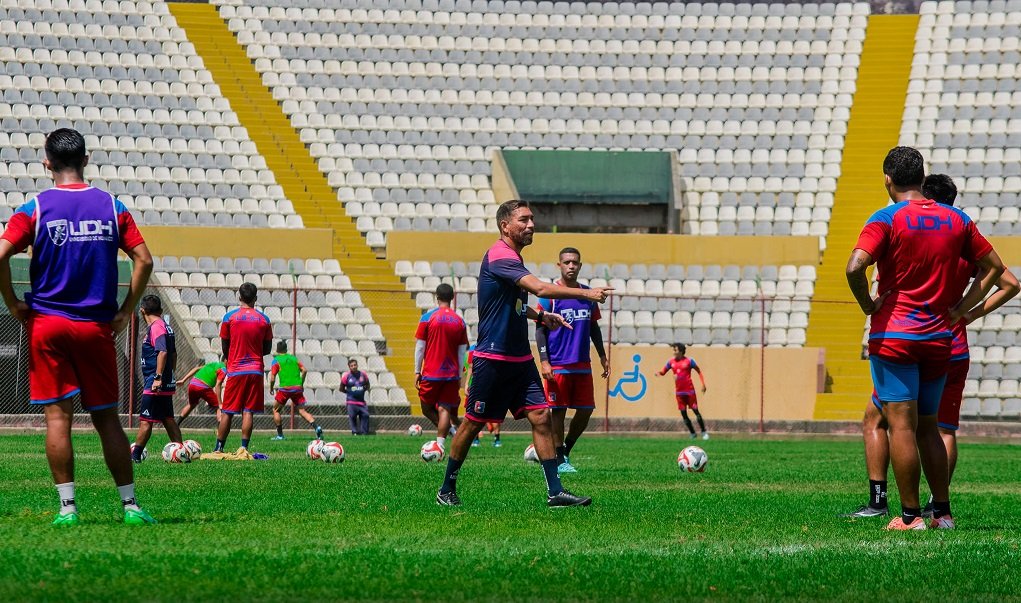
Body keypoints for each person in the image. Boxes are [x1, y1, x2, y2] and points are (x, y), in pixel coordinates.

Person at [0, 128, 156, 525]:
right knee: (107, 418)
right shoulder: (111, 205)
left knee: (57, 418)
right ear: (86, 160)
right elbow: (145, 260)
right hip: (95, 327)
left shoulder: (34, 207)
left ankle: (68, 509)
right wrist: (126, 310)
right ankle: (130, 506)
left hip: (47, 325)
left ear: (47, 163)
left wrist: (13, 302)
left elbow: (0, 254)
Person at [843, 174, 1019, 519]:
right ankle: (941, 511)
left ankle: (904, 514)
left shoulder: (892, 219)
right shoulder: (959, 227)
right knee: (938, 428)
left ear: (888, 179)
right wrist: (963, 314)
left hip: (899, 335)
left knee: (897, 426)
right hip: (946, 339)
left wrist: (868, 304)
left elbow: (855, 266)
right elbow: (1005, 278)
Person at [436, 199, 611, 508]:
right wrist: (586, 293)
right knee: (473, 423)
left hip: (519, 358)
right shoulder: (500, 255)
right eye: (525, 220)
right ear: (506, 226)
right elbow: (541, 289)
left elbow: (514, 304)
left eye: (532, 220)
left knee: (541, 416)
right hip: (493, 357)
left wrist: (538, 317)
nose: (532, 225)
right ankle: (446, 487)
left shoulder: (513, 259)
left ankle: (555, 491)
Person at [536, 247, 609, 473]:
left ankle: (565, 450)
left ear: (580, 265)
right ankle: (558, 460)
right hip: (558, 363)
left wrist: (602, 355)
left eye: (575, 262)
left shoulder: (588, 295)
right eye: (567, 262)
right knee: (558, 410)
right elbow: (540, 329)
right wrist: (544, 360)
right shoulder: (550, 295)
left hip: (582, 364)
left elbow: (593, 327)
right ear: (559, 265)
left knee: (586, 409)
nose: (571, 266)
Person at [215, 282, 272, 453]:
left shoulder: (229, 317)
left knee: (228, 411)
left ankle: (219, 448)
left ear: (239, 297)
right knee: (248, 411)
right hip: (255, 370)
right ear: (255, 298)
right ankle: (243, 448)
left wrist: (231, 357)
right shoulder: (264, 319)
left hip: (236, 369)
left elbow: (225, 345)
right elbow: (267, 349)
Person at [415, 283, 469, 449]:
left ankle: (443, 441)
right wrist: (459, 374)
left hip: (431, 372)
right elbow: (462, 352)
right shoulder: (460, 321)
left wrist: (417, 370)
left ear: (436, 297)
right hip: (451, 373)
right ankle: (442, 444)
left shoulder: (427, 318)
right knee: (445, 409)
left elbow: (420, 347)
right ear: (452, 298)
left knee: (426, 407)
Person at [131, 295, 182, 461]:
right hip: (164, 380)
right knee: (168, 418)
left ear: (142, 310)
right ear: (160, 310)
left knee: (146, 420)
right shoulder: (166, 326)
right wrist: (170, 375)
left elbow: (163, 352)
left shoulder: (157, 327)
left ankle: (135, 455)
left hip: (155, 381)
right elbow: (173, 354)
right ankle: (181, 451)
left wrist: (159, 377)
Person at [269, 340, 322, 440]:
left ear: (277, 350)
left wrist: (271, 388)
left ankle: (280, 436)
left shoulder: (276, 360)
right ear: (286, 349)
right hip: (297, 388)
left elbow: (272, 378)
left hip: (285, 388)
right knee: (302, 411)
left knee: (275, 410)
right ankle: (317, 427)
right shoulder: (294, 358)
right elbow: (304, 370)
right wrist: (301, 384)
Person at [656, 343, 709, 440]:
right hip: (679, 393)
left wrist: (703, 384)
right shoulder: (671, 362)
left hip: (690, 391)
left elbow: (699, 371)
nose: (674, 352)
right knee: (683, 413)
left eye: (675, 350)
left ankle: (704, 431)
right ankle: (693, 433)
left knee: (696, 411)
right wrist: (659, 373)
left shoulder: (689, 361)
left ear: (680, 351)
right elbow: (663, 372)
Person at [176, 358, 226, 426]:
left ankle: (176, 425)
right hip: (203, 386)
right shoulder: (223, 369)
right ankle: (220, 433)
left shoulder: (213, 364)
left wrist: (183, 380)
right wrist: (220, 403)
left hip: (193, 383)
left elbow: (196, 369)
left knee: (191, 405)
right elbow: (218, 385)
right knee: (218, 407)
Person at [340, 358, 371, 435]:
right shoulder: (346, 376)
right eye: (351, 366)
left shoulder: (363, 374)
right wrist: (349, 392)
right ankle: (355, 432)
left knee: (365, 415)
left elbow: (367, 384)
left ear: (357, 365)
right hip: (351, 402)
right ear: (349, 367)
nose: (353, 367)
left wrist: (363, 389)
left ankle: (364, 433)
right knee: (352, 417)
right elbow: (341, 388)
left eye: (355, 365)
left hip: (361, 402)